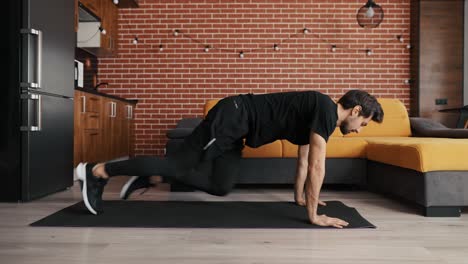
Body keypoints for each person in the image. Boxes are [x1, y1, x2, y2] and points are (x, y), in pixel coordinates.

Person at [75, 89, 383, 228]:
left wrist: (302, 201)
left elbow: (304, 161)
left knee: (221, 186)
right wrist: (315, 217)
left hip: (239, 131)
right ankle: (97, 171)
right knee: (179, 165)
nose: (359, 130)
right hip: (233, 116)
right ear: (355, 111)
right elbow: (318, 165)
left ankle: (154, 175)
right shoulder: (325, 109)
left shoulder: (321, 119)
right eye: (363, 123)